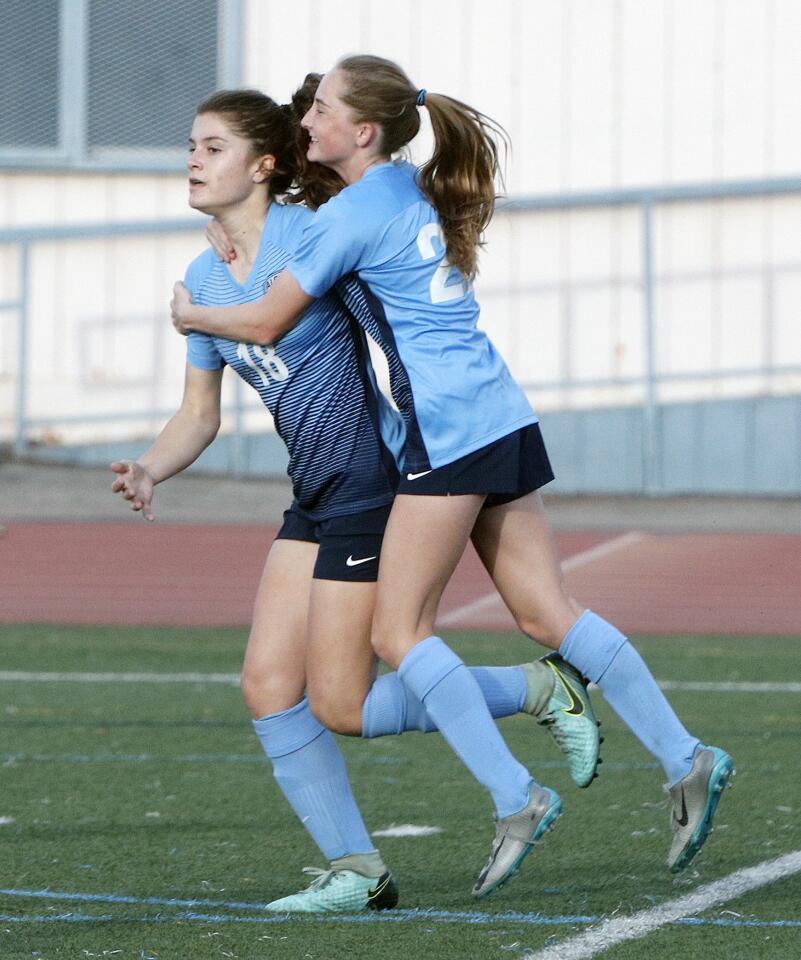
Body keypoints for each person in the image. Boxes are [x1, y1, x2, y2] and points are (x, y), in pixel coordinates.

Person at [171, 55, 734, 897]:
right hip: (498, 409)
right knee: (548, 611)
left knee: (398, 635)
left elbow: (262, 318)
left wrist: (193, 312)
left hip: (443, 429)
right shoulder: (396, 185)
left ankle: (515, 796)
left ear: (361, 131)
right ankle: (686, 756)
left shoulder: (346, 216)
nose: (308, 119)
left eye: (321, 108)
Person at [113, 84, 600, 913]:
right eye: (191, 146)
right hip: (313, 493)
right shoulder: (200, 275)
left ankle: (538, 690)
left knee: (343, 701)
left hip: (375, 485)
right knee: (270, 685)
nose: (192, 160)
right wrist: (154, 468)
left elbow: (397, 290)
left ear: (265, 164)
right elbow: (199, 414)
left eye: (213, 147)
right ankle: (359, 870)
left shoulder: (315, 235)